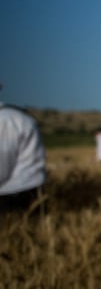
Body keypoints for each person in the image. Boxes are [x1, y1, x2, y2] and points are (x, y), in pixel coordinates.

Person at [1, 86, 47, 215]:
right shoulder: (14, 116)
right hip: (26, 192)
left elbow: (2, 166)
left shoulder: (4, 121)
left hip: (14, 195)